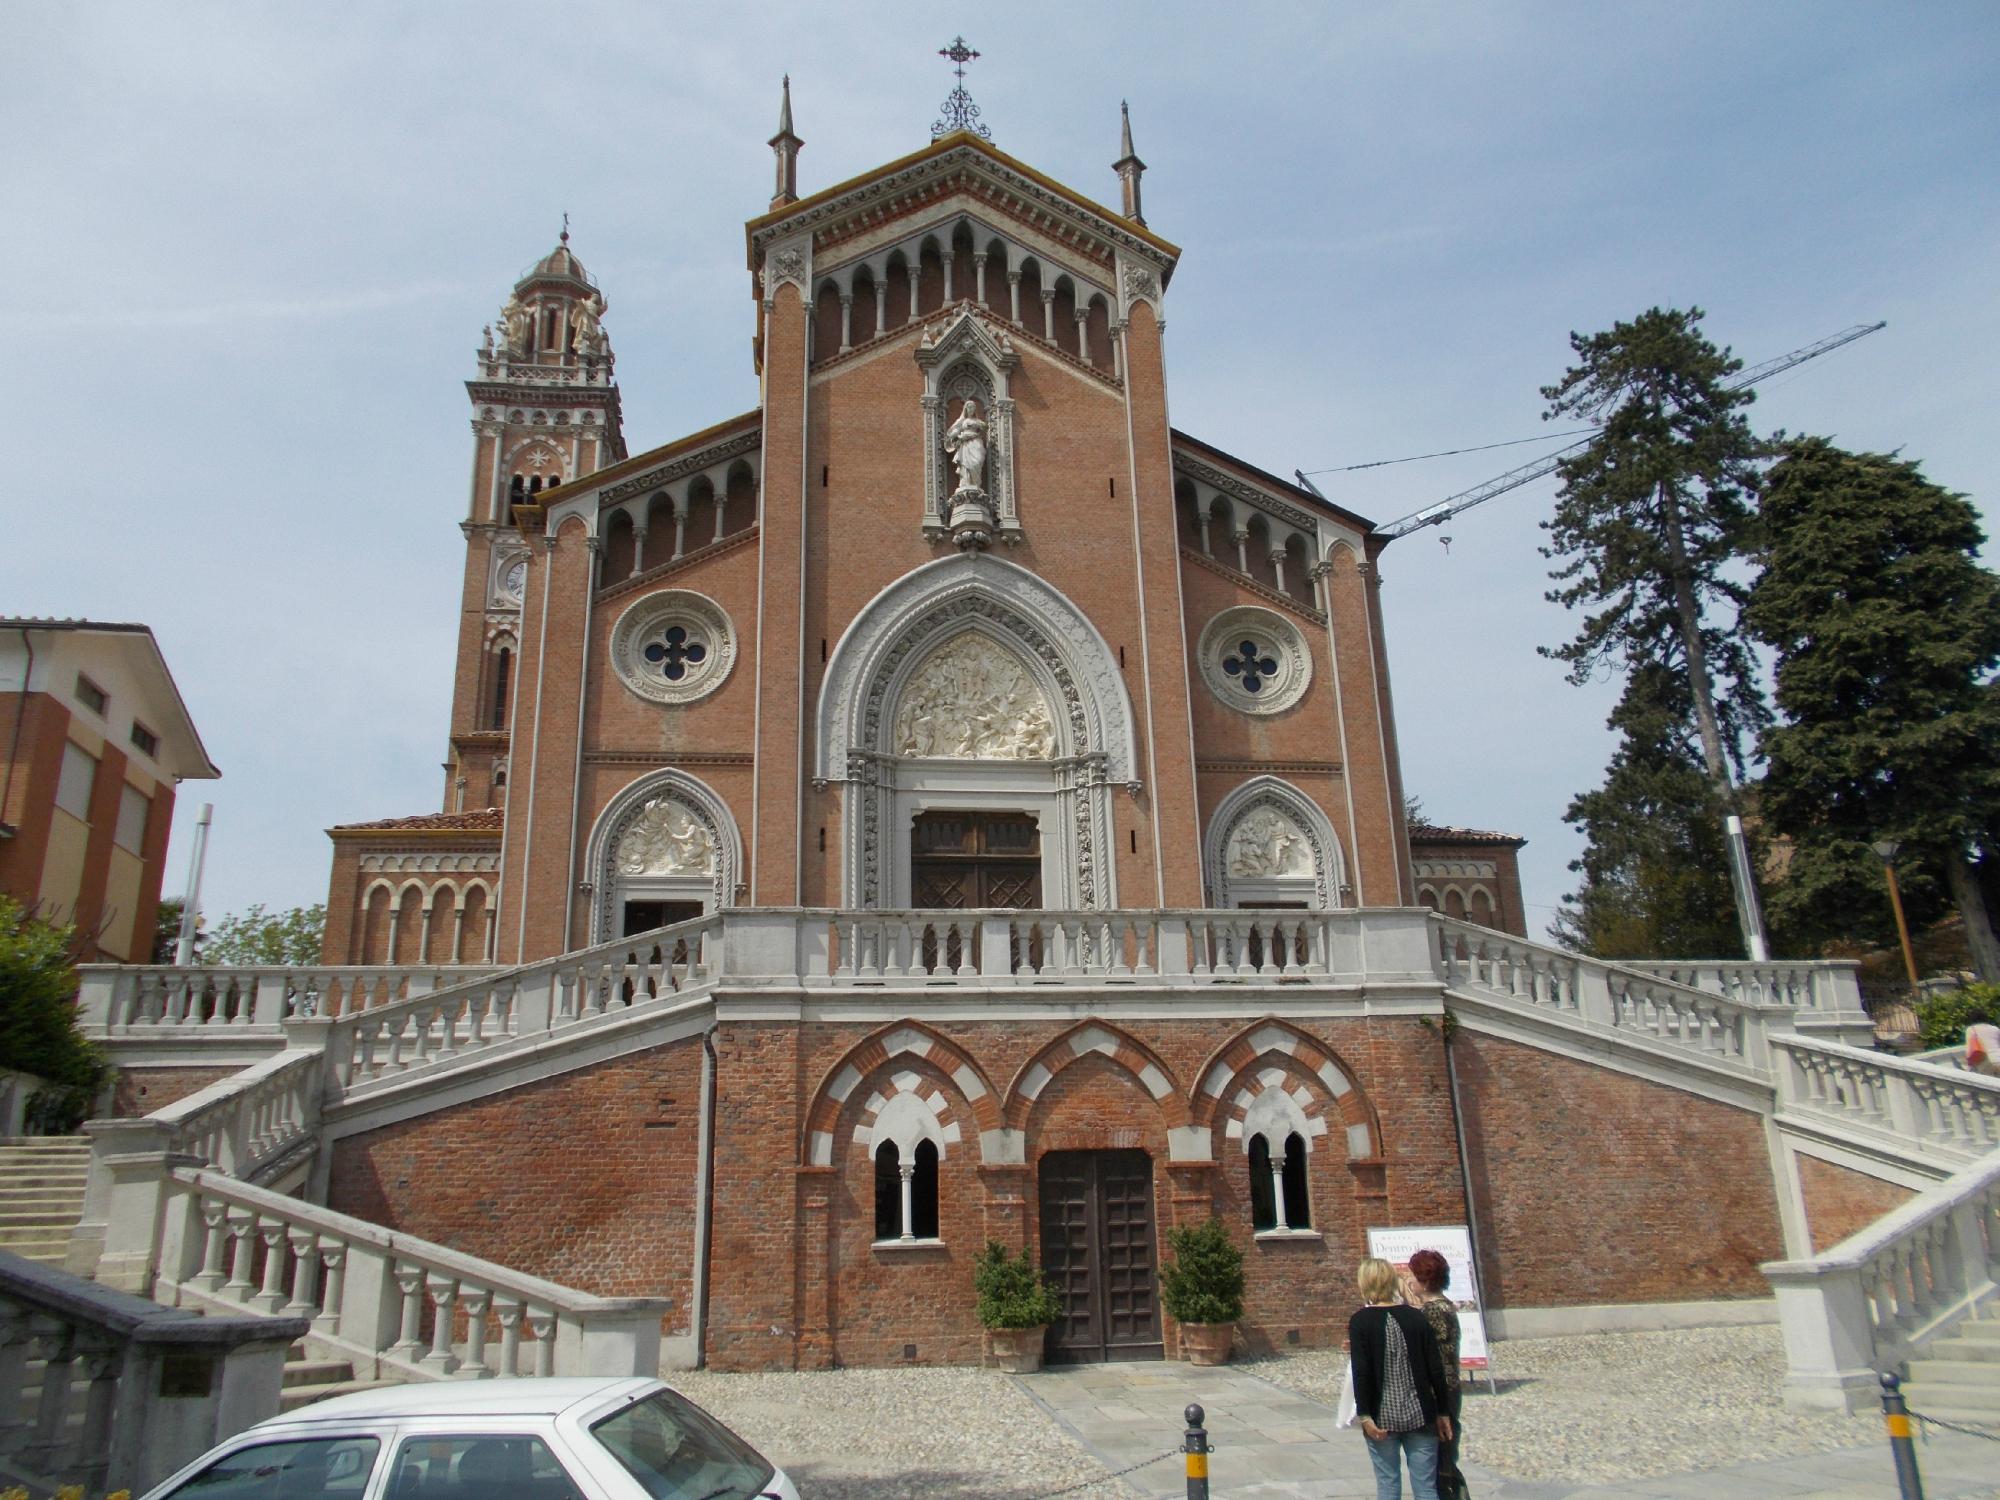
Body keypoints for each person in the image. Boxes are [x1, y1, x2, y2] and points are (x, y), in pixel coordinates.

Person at [1348, 1256, 1453, 1500]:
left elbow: (1361, 1372)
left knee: (1388, 1484)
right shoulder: (1417, 1316)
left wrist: (1364, 1414)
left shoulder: (1361, 1321)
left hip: (1382, 1414)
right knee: (1426, 1487)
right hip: (1421, 1412)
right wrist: (1443, 1411)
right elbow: (1435, 1368)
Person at [1405, 1249, 1465, 1499]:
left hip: (1438, 1393)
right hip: (1448, 1389)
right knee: (1442, 1458)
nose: (1408, 1281)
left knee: (1437, 1461)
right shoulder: (1445, 1307)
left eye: (1411, 1275)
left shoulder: (1432, 1312)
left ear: (1424, 1278)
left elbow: (1433, 1360)